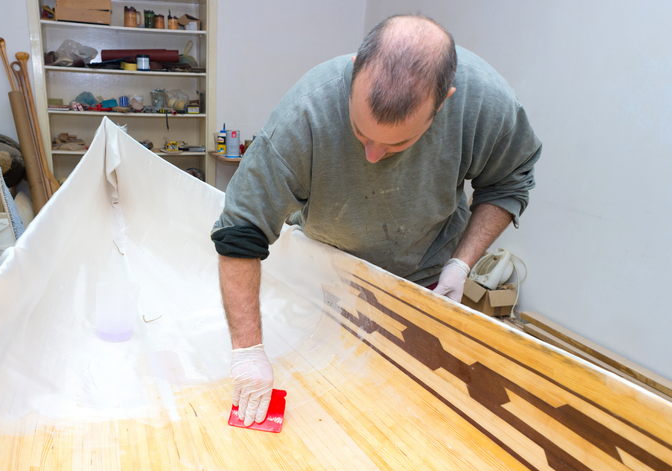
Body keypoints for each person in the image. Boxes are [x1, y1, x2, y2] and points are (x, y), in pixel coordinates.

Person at [211, 14, 542, 424]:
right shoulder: (305, 113)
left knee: (403, 415)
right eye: (359, 131)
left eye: (397, 143)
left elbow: (507, 184)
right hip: (319, 272)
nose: (371, 155)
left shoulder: (487, 104)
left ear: (443, 103)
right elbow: (241, 231)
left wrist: (462, 264)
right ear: (354, 72)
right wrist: (248, 353)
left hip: (422, 279)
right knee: (319, 395)